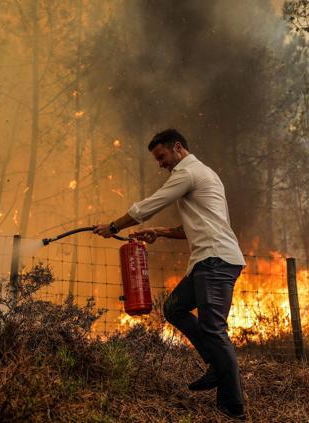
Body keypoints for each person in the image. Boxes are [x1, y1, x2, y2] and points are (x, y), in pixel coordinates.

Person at [93, 129, 247, 420]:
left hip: (216, 260)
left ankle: (233, 406)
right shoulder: (203, 175)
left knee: (214, 329)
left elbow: (150, 205)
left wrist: (113, 226)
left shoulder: (188, 172)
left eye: (161, 156)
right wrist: (160, 232)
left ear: (177, 148)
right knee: (174, 308)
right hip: (208, 260)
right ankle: (216, 364)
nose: (160, 164)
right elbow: (193, 227)